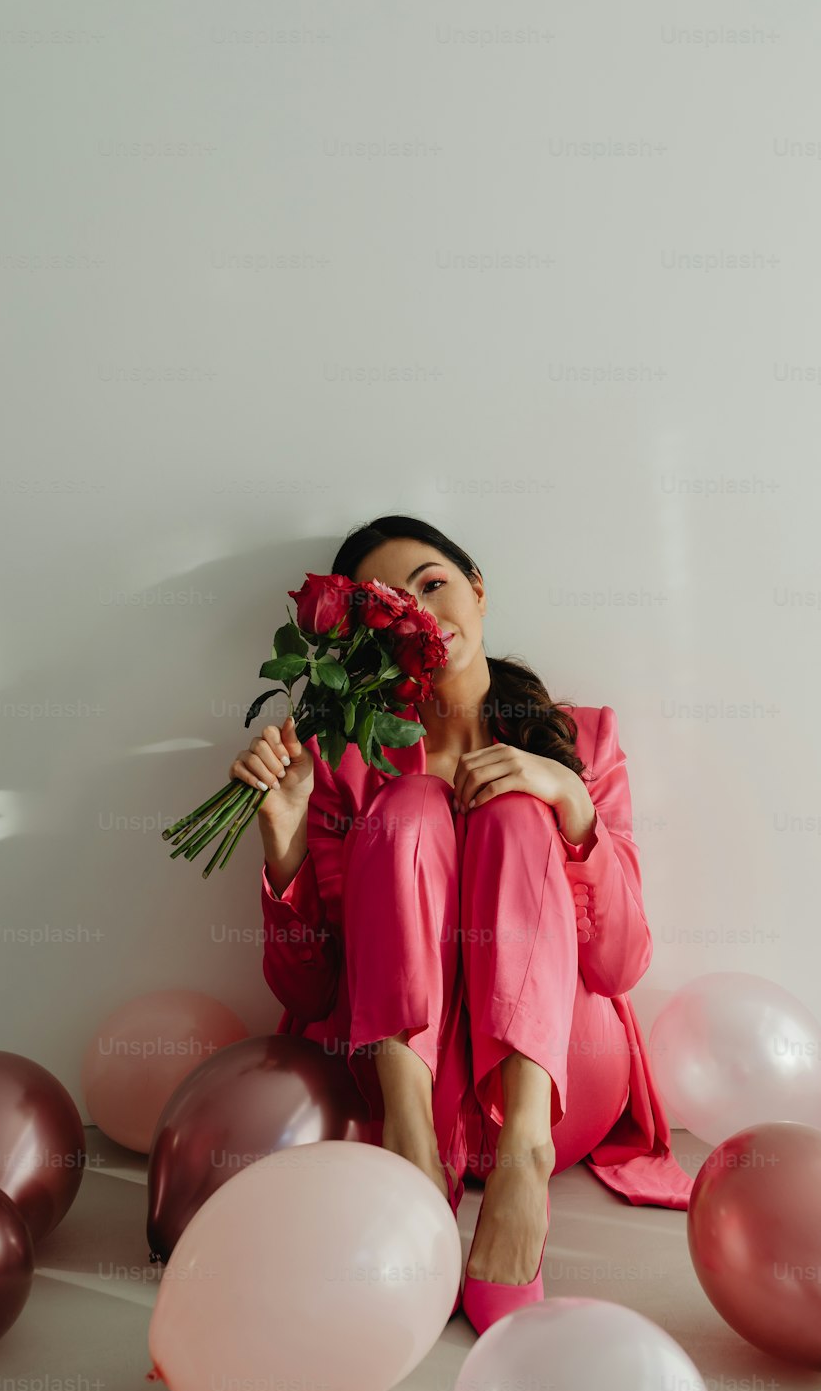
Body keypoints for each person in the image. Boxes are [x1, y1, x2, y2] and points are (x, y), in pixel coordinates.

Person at [228, 515, 694, 1334]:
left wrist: (569, 800)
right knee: (407, 806)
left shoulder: (585, 739)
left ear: (478, 590)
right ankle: (413, 1158)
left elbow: (620, 965)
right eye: (386, 607)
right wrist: (286, 842)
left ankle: (522, 1172)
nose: (420, 611)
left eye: (433, 583)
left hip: (561, 1087)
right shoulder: (344, 766)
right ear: (365, 646)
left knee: (518, 810)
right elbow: (311, 990)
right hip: (404, 1091)